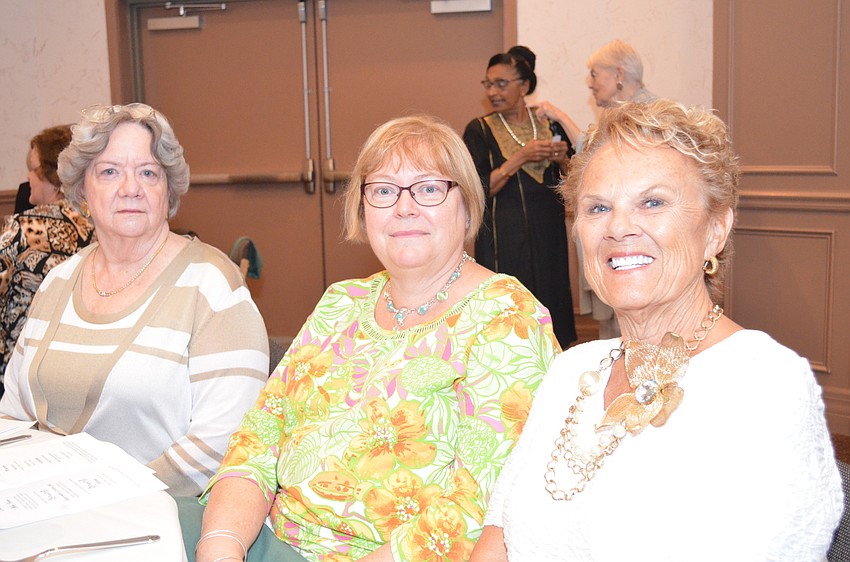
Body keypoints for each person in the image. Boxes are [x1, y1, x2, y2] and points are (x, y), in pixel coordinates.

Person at [469, 100, 843, 561]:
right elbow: (499, 530)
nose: (619, 227)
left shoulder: (765, 383)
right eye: (598, 207)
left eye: (652, 202)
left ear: (715, 230)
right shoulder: (570, 369)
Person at [187, 115, 560, 562]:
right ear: (363, 211)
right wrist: (222, 546)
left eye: (428, 188)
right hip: (265, 536)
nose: (404, 208)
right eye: (384, 191)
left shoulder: (507, 316)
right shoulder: (342, 301)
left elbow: (477, 510)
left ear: (467, 206)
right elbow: (258, 437)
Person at [0, 103, 269, 496]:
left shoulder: (212, 285)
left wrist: (105, 497)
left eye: (148, 172)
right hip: (48, 512)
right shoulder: (58, 282)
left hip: (160, 516)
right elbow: (14, 416)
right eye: (109, 172)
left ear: (168, 189)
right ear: (81, 190)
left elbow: (223, 443)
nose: (131, 188)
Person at [537, 39, 657, 339]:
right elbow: (592, 149)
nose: (590, 84)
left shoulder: (648, 114)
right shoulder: (620, 113)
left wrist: (561, 117)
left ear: (618, 73)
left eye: (594, 74)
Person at [463, 45, 577, 348]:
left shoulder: (548, 123)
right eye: (488, 84)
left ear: (524, 86)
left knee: (552, 303)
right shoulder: (479, 130)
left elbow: (577, 182)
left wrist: (563, 158)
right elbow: (476, 189)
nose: (493, 91)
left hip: (548, 236)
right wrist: (520, 157)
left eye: (502, 83)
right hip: (503, 239)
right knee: (508, 314)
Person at [0, 125, 94, 396]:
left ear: (53, 174)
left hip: (22, 369)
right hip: (80, 362)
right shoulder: (96, 225)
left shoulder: (22, 229)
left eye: (32, 168)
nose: (27, 176)